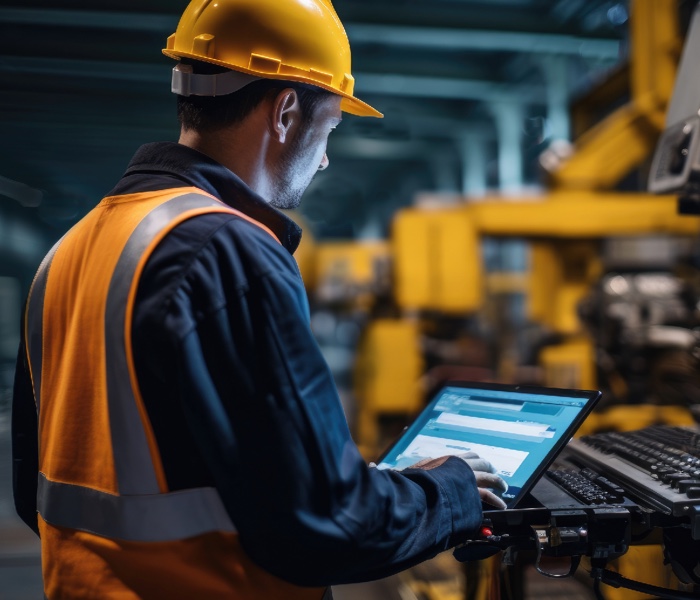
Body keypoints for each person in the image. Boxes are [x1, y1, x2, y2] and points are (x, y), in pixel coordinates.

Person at [12, 0, 507, 598]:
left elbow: (35, 488)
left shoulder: (70, 249)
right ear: (287, 111)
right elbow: (328, 525)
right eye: (329, 130)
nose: (324, 158)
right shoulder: (228, 252)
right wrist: (450, 491)